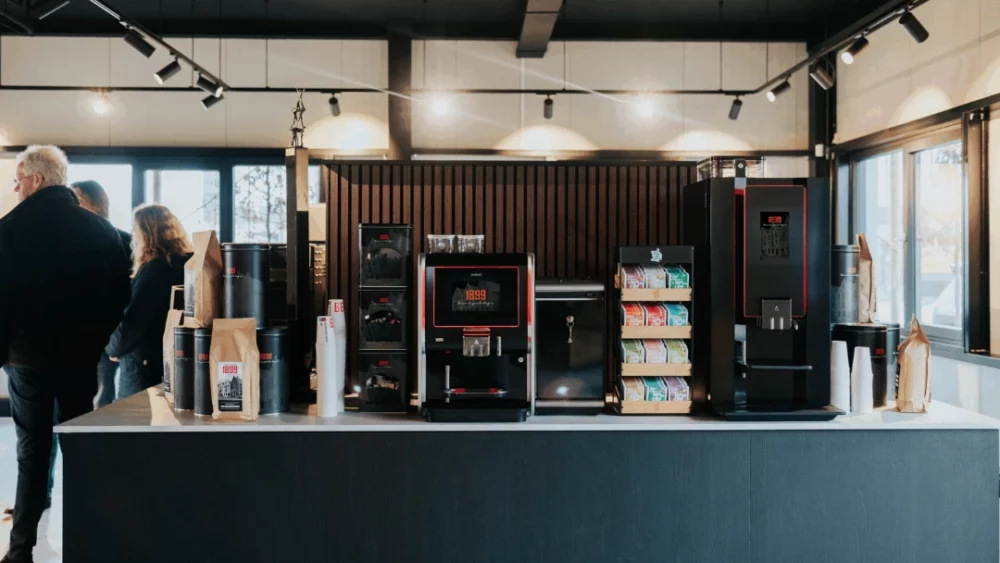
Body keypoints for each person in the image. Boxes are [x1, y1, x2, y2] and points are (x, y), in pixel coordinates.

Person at [1, 146, 131, 563]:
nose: (17, 188)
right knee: (78, 447)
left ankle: (20, 551)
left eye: (18, 180)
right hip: (79, 359)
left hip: (27, 359)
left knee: (32, 453)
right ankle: (88, 543)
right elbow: (119, 297)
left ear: (36, 179)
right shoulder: (102, 231)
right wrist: (95, 342)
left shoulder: (8, 229)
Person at [105, 204, 193, 398]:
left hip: (144, 367)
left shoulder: (154, 269)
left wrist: (113, 346)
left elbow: (135, 321)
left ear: (145, 234)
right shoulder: (188, 264)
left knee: (136, 424)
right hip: (179, 361)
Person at [70, 180, 133, 407]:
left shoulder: (118, 240)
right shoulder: (129, 241)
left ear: (89, 203)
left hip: (101, 336)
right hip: (97, 336)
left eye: (75, 200)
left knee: (98, 400)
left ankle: (93, 440)